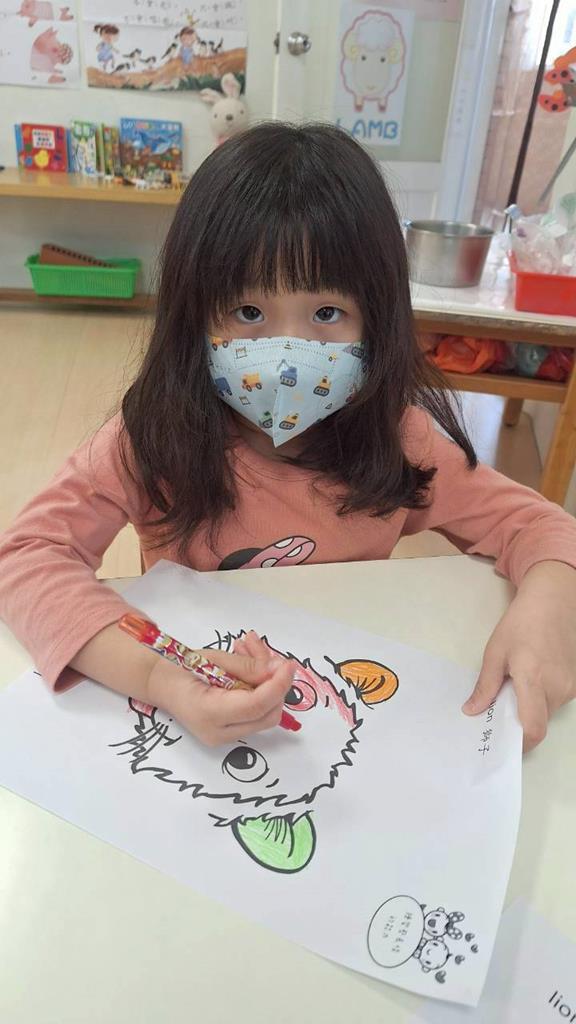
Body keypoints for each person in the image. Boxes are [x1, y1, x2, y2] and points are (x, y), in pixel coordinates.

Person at [0, 123, 575, 750]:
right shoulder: (152, 439)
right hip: (193, 723)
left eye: (327, 313)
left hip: (346, 710)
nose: (287, 355)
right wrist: (158, 678)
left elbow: (541, 528)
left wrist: (548, 609)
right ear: (193, 314)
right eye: (248, 313)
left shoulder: (400, 439)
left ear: (378, 320)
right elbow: (27, 557)